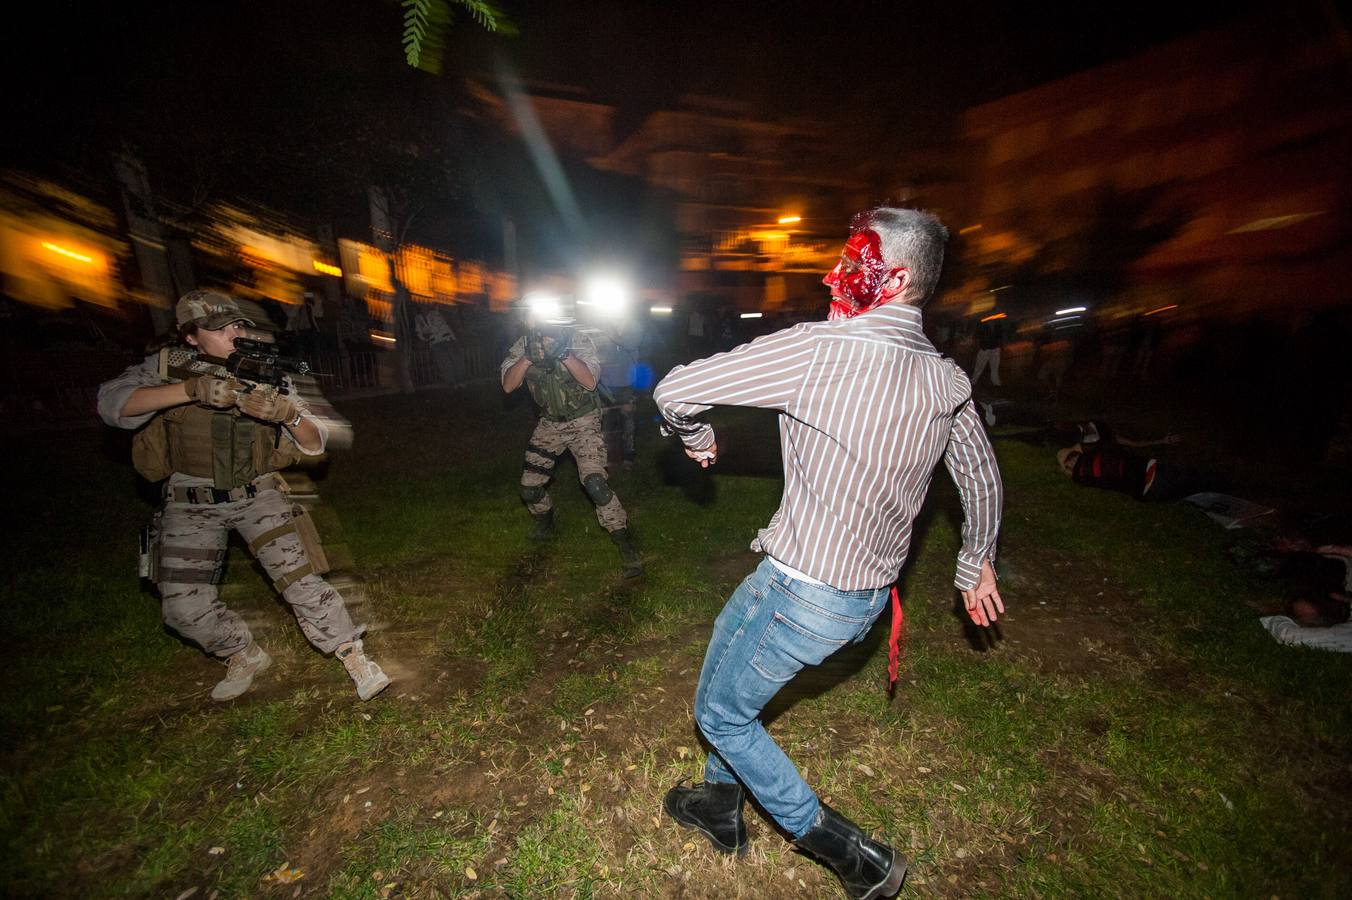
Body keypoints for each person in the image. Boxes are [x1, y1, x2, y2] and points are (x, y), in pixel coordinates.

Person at [653, 207, 1004, 900]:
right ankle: (721, 807)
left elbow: (674, 389)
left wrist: (693, 440)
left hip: (799, 594)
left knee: (721, 713)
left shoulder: (819, 350)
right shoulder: (946, 380)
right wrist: (975, 561)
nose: (834, 273)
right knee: (726, 658)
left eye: (854, 261)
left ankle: (854, 856)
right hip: (861, 600)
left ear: (896, 276)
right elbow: (982, 478)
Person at [97, 289, 391, 702]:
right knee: (182, 608)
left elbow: (315, 441)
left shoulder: (263, 369)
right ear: (191, 336)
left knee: (302, 583)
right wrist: (192, 390)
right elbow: (111, 405)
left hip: (259, 494)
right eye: (218, 328)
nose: (233, 333)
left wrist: (287, 414)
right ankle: (241, 651)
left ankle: (353, 655)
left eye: (236, 324)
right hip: (190, 501)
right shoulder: (165, 369)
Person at [501, 304, 642, 578]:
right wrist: (528, 358)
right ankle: (546, 521)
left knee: (595, 484)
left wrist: (564, 354)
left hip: (584, 422)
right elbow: (508, 385)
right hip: (549, 424)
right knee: (529, 489)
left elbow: (590, 382)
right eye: (532, 315)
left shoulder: (578, 340)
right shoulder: (521, 347)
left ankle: (626, 547)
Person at [415, 305, 463, 388]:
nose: (424, 308)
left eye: (425, 306)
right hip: (434, 343)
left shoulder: (435, 314)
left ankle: (460, 381)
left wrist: (427, 333)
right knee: (442, 363)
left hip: (446, 339)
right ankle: (451, 382)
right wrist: (423, 337)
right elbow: (418, 331)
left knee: (454, 361)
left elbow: (437, 327)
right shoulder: (418, 318)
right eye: (421, 306)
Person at [970, 312, 1006, 387]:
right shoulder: (982, 324)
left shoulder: (997, 323)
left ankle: (996, 383)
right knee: (979, 367)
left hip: (995, 348)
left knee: (994, 367)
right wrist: (977, 346)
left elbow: (1000, 337)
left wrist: (1000, 347)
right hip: (985, 348)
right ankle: (973, 382)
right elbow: (976, 336)